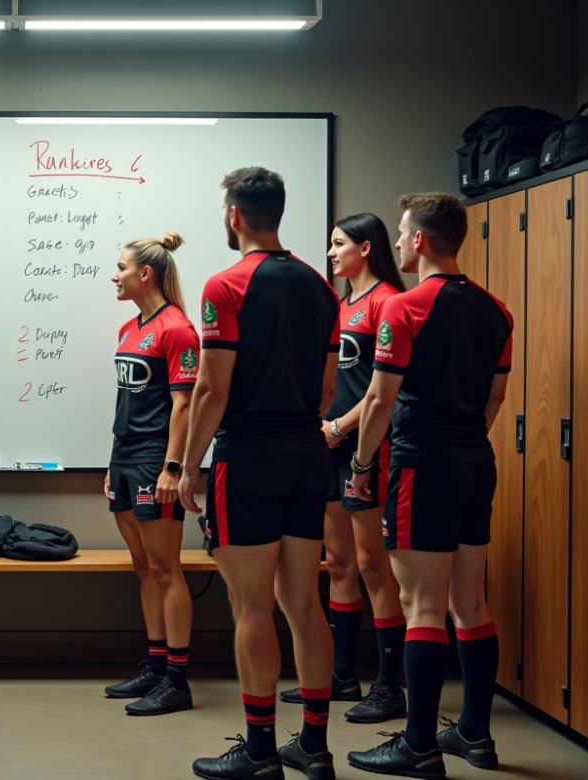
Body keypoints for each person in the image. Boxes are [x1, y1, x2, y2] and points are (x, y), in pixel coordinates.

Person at [179, 167, 341, 780]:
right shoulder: (321, 288)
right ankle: (316, 748)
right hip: (307, 454)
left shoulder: (225, 285)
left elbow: (212, 389)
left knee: (252, 608)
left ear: (233, 215)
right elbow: (327, 389)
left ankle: (259, 752)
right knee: (303, 605)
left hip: (246, 457)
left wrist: (185, 466)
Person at [347, 193, 512, 778]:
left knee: (421, 605)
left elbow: (379, 399)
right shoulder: (497, 311)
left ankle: (418, 745)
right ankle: (475, 734)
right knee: (468, 603)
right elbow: (495, 399)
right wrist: (464, 439)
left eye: (399, 233)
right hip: (475, 461)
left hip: (422, 466)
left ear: (419, 239)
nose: (396, 243)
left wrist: (363, 468)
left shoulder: (406, 307)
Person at [279, 214, 408, 724]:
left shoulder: (388, 302)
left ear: (367, 248)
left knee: (375, 567)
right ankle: (342, 675)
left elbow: (387, 393)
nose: (330, 253)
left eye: (338, 244)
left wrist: (340, 429)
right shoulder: (341, 305)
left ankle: (389, 685)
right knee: (339, 562)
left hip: (367, 450)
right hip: (330, 448)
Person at [102, 233, 200, 716]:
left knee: (166, 568)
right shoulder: (128, 328)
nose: (113, 275)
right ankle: (157, 665)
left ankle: (178, 680)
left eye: (120, 267)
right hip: (125, 459)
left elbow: (185, 405)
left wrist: (173, 467)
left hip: (155, 460)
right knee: (144, 568)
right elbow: (128, 401)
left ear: (145, 274)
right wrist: (111, 463)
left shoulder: (177, 328)